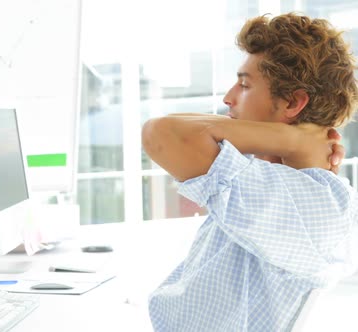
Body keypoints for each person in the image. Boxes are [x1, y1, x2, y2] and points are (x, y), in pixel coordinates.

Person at [141, 13, 358, 331]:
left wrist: (294, 139)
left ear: (293, 102)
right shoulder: (269, 182)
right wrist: (296, 141)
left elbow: (162, 134)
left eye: (244, 85)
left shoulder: (314, 200)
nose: (229, 98)